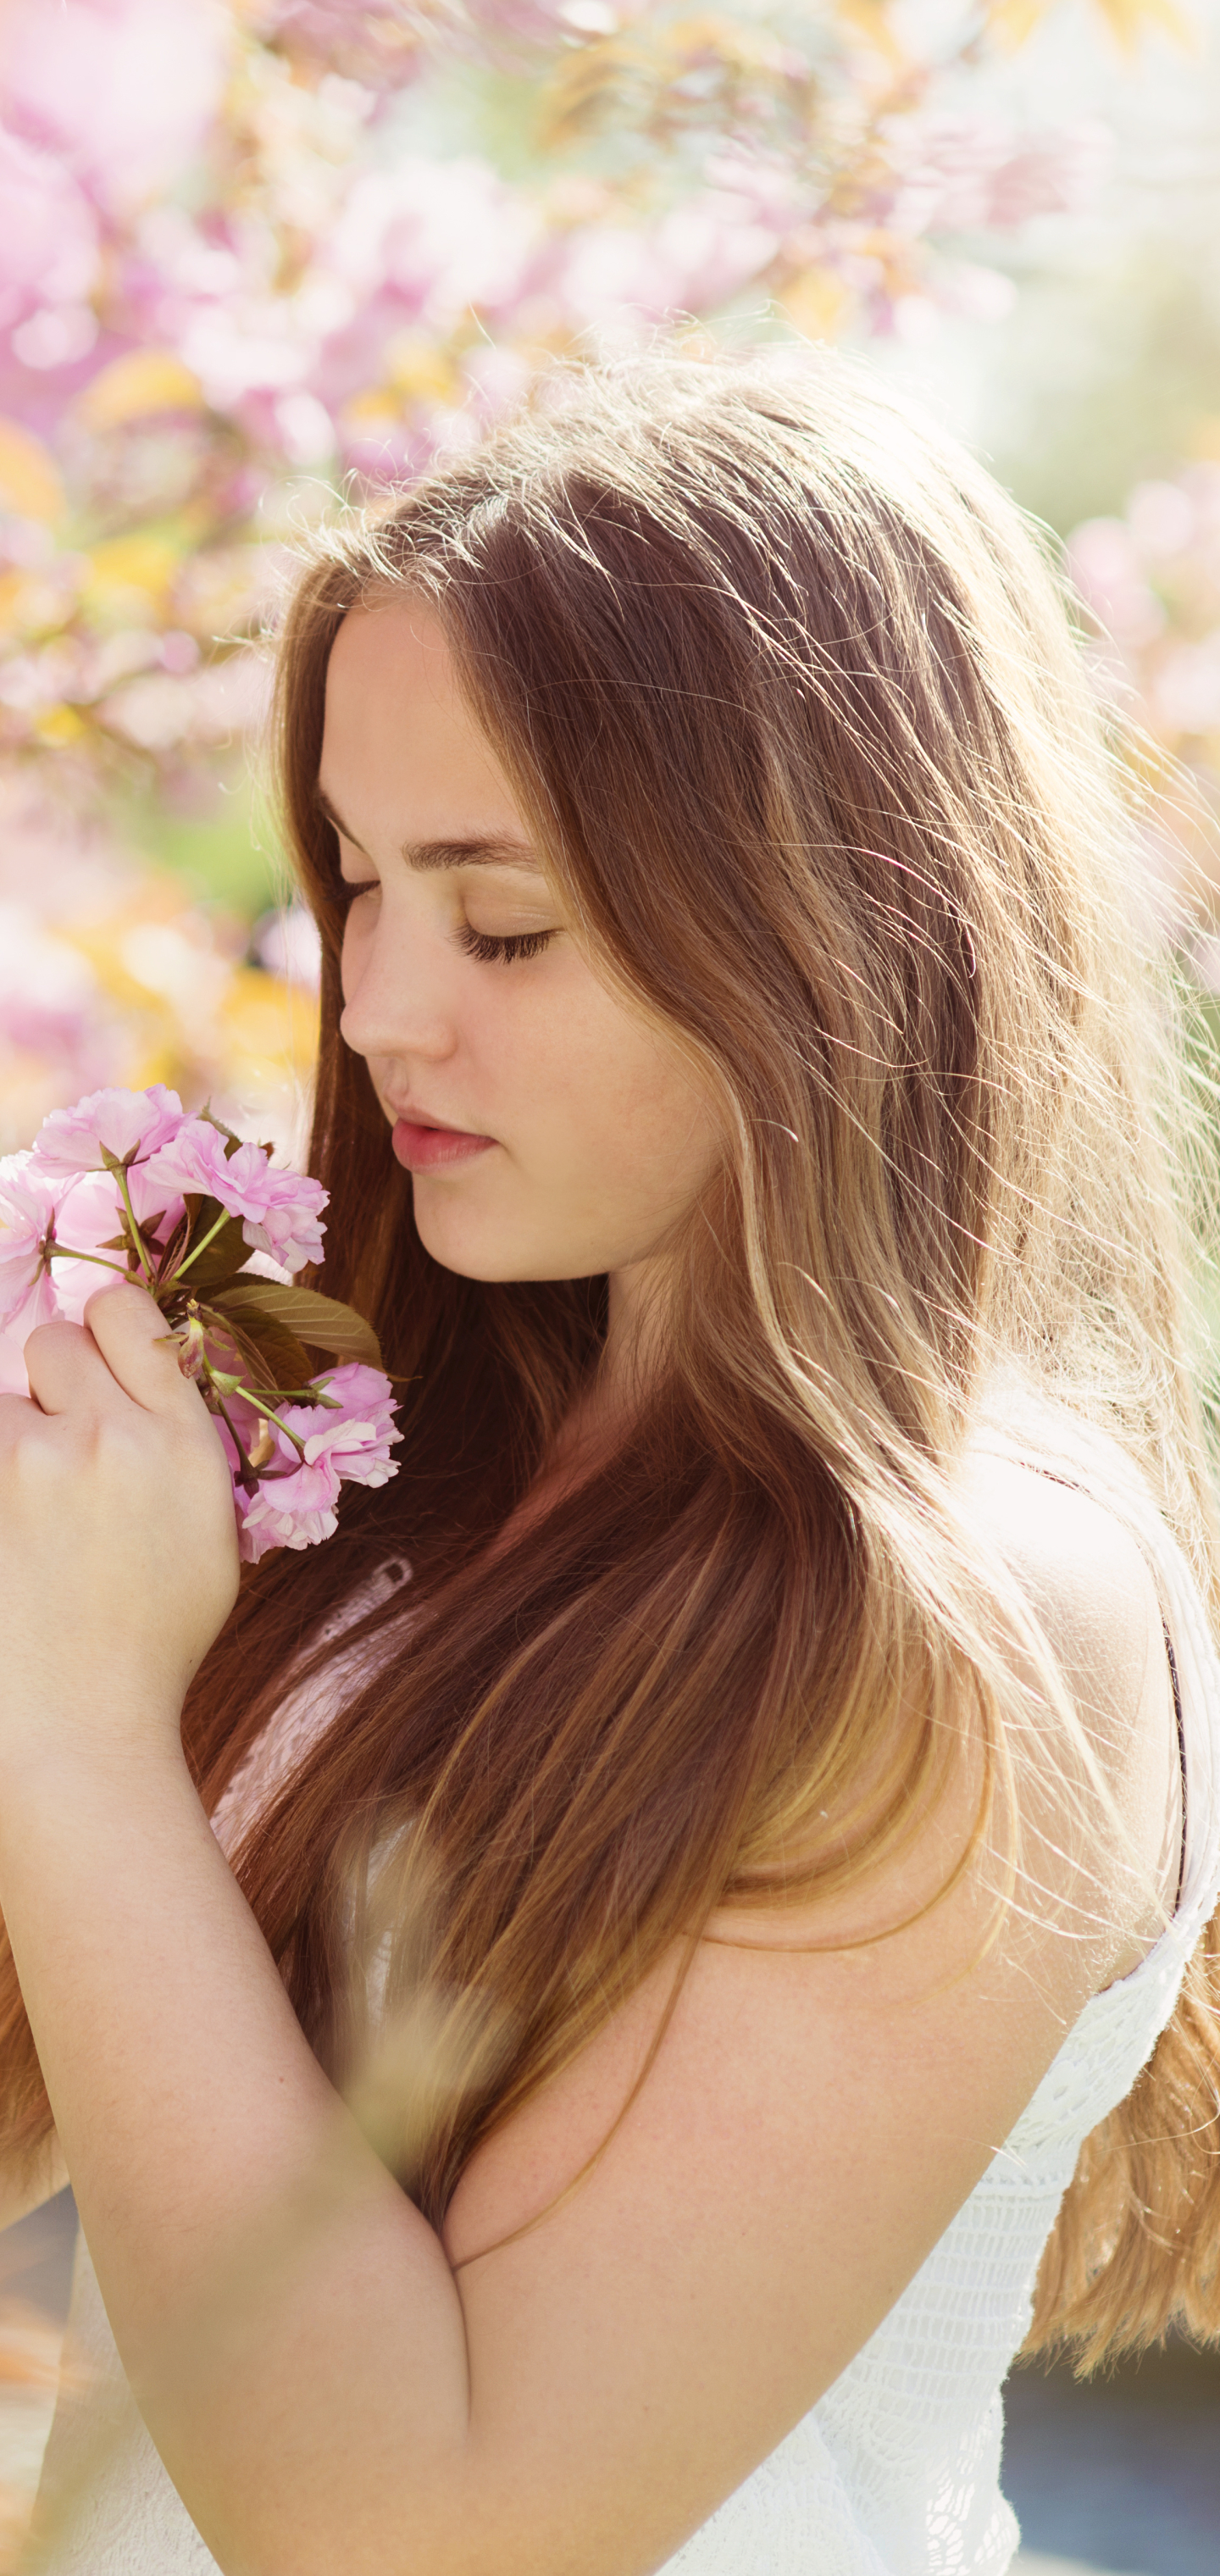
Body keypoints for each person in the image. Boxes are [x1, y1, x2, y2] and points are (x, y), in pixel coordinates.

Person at [1, 347, 1218, 2576]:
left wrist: (82, 1735)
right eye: (357, 881)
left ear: (841, 927)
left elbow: (428, 2531)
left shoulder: (987, 1627)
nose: (370, 1004)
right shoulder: (407, 1469)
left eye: (506, 922)